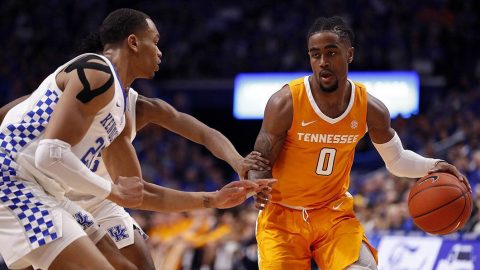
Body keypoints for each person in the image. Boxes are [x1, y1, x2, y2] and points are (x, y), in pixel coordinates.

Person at [0, 8, 272, 270]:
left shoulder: (124, 107)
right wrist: (116, 192)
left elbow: (139, 191)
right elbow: (45, 150)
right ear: (132, 42)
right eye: (155, 42)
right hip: (18, 180)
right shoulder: (95, 72)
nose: (160, 51)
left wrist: (229, 174)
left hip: (61, 190)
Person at [248, 16, 470, 270]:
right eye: (315, 54)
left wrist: (435, 164)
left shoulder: (370, 108)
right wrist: (258, 183)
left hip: (332, 214)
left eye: (331, 53)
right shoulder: (285, 102)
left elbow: (396, 160)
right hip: (282, 217)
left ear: (349, 54)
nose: (323, 62)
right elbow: (261, 159)